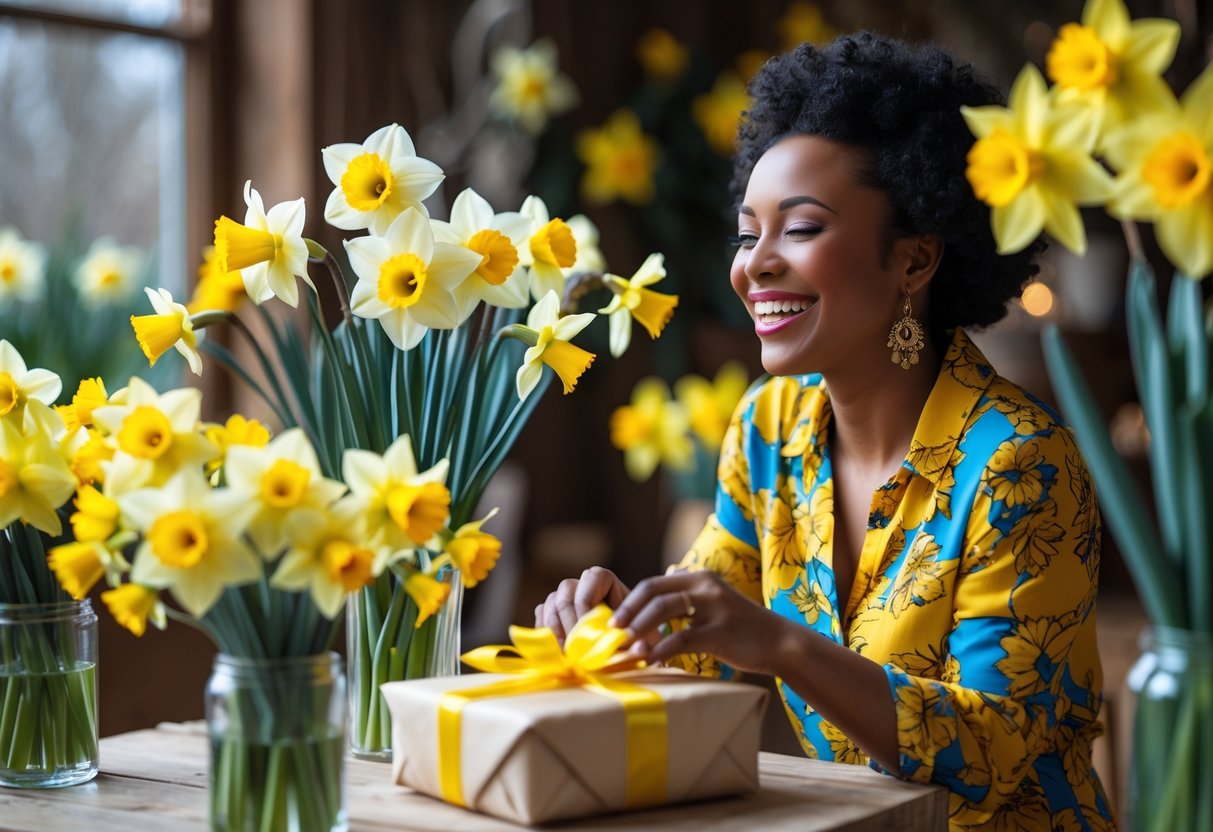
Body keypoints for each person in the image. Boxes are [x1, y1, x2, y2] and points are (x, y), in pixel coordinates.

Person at [535, 31, 1115, 830]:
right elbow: (703, 643)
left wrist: (779, 646)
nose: (754, 265)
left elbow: (987, 751)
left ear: (913, 261)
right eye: (747, 234)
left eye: (799, 229)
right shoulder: (768, 428)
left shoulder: (1019, 465)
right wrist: (618, 627)